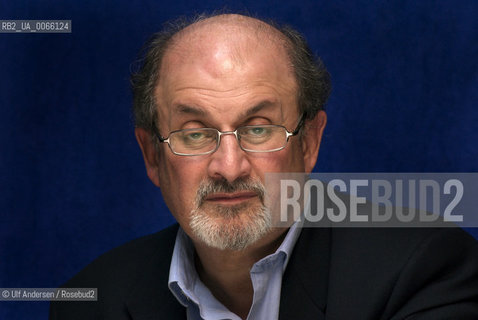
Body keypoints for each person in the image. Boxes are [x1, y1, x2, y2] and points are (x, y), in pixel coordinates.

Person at [50, 13, 478, 320]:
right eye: (195, 134)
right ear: (153, 157)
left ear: (308, 143)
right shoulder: (90, 302)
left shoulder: (422, 269)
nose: (229, 167)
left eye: (258, 129)